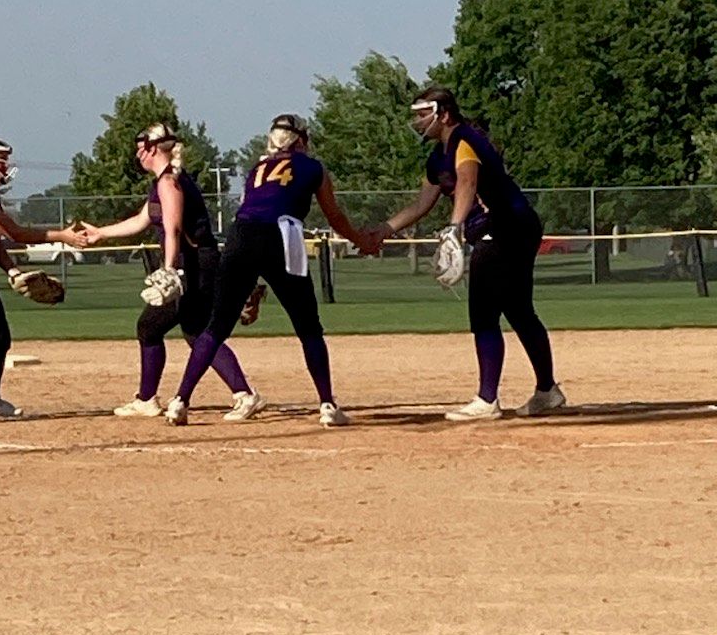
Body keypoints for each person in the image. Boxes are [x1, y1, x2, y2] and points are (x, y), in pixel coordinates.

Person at [368, 87, 565, 421]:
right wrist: (383, 231)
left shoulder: (464, 139)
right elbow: (421, 204)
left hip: (505, 227)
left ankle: (488, 400)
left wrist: (453, 228)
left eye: (422, 114)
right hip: (511, 227)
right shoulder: (437, 157)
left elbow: (467, 184)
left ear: (443, 113)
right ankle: (547, 391)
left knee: (485, 312)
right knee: (518, 310)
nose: (418, 121)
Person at [164, 114, 369, 428]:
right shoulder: (313, 167)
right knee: (308, 327)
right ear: (300, 140)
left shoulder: (256, 169)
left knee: (217, 326)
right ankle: (327, 404)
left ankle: (180, 401)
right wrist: (361, 240)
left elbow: (255, 208)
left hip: (241, 234)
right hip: (282, 234)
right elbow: (335, 216)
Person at [81, 123, 265, 421]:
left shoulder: (170, 182)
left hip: (190, 264)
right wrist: (100, 234)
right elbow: (142, 220)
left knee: (149, 327)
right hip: (195, 262)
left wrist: (169, 269)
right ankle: (244, 394)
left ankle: (146, 399)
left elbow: (173, 229)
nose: (138, 154)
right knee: (197, 333)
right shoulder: (164, 181)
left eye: (140, 148)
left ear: (152, 148)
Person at [0, 135, 88, 422]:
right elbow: (17, 234)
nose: (5, 165)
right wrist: (62, 236)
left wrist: (12, 271)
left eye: (5, 159)